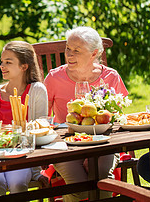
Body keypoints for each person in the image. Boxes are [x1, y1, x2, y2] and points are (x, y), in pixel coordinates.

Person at [45, 26, 128, 202]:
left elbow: (118, 118)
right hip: (65, 145)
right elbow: (43, 119)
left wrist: (92, 149)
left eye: (76, 50)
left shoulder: (111, 77)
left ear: (93, 54)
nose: (69, 54)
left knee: (103, 182)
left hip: (103, 143)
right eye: (68, 48)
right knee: (79, 188)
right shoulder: (54, 78)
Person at [0, 41, 50, 197]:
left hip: (21, 157)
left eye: (8, 62)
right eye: (2, 62)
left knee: (18, 184)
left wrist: (36, 171)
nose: (2, 66)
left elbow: (40, 131)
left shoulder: (37, 91)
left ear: (24, 66)